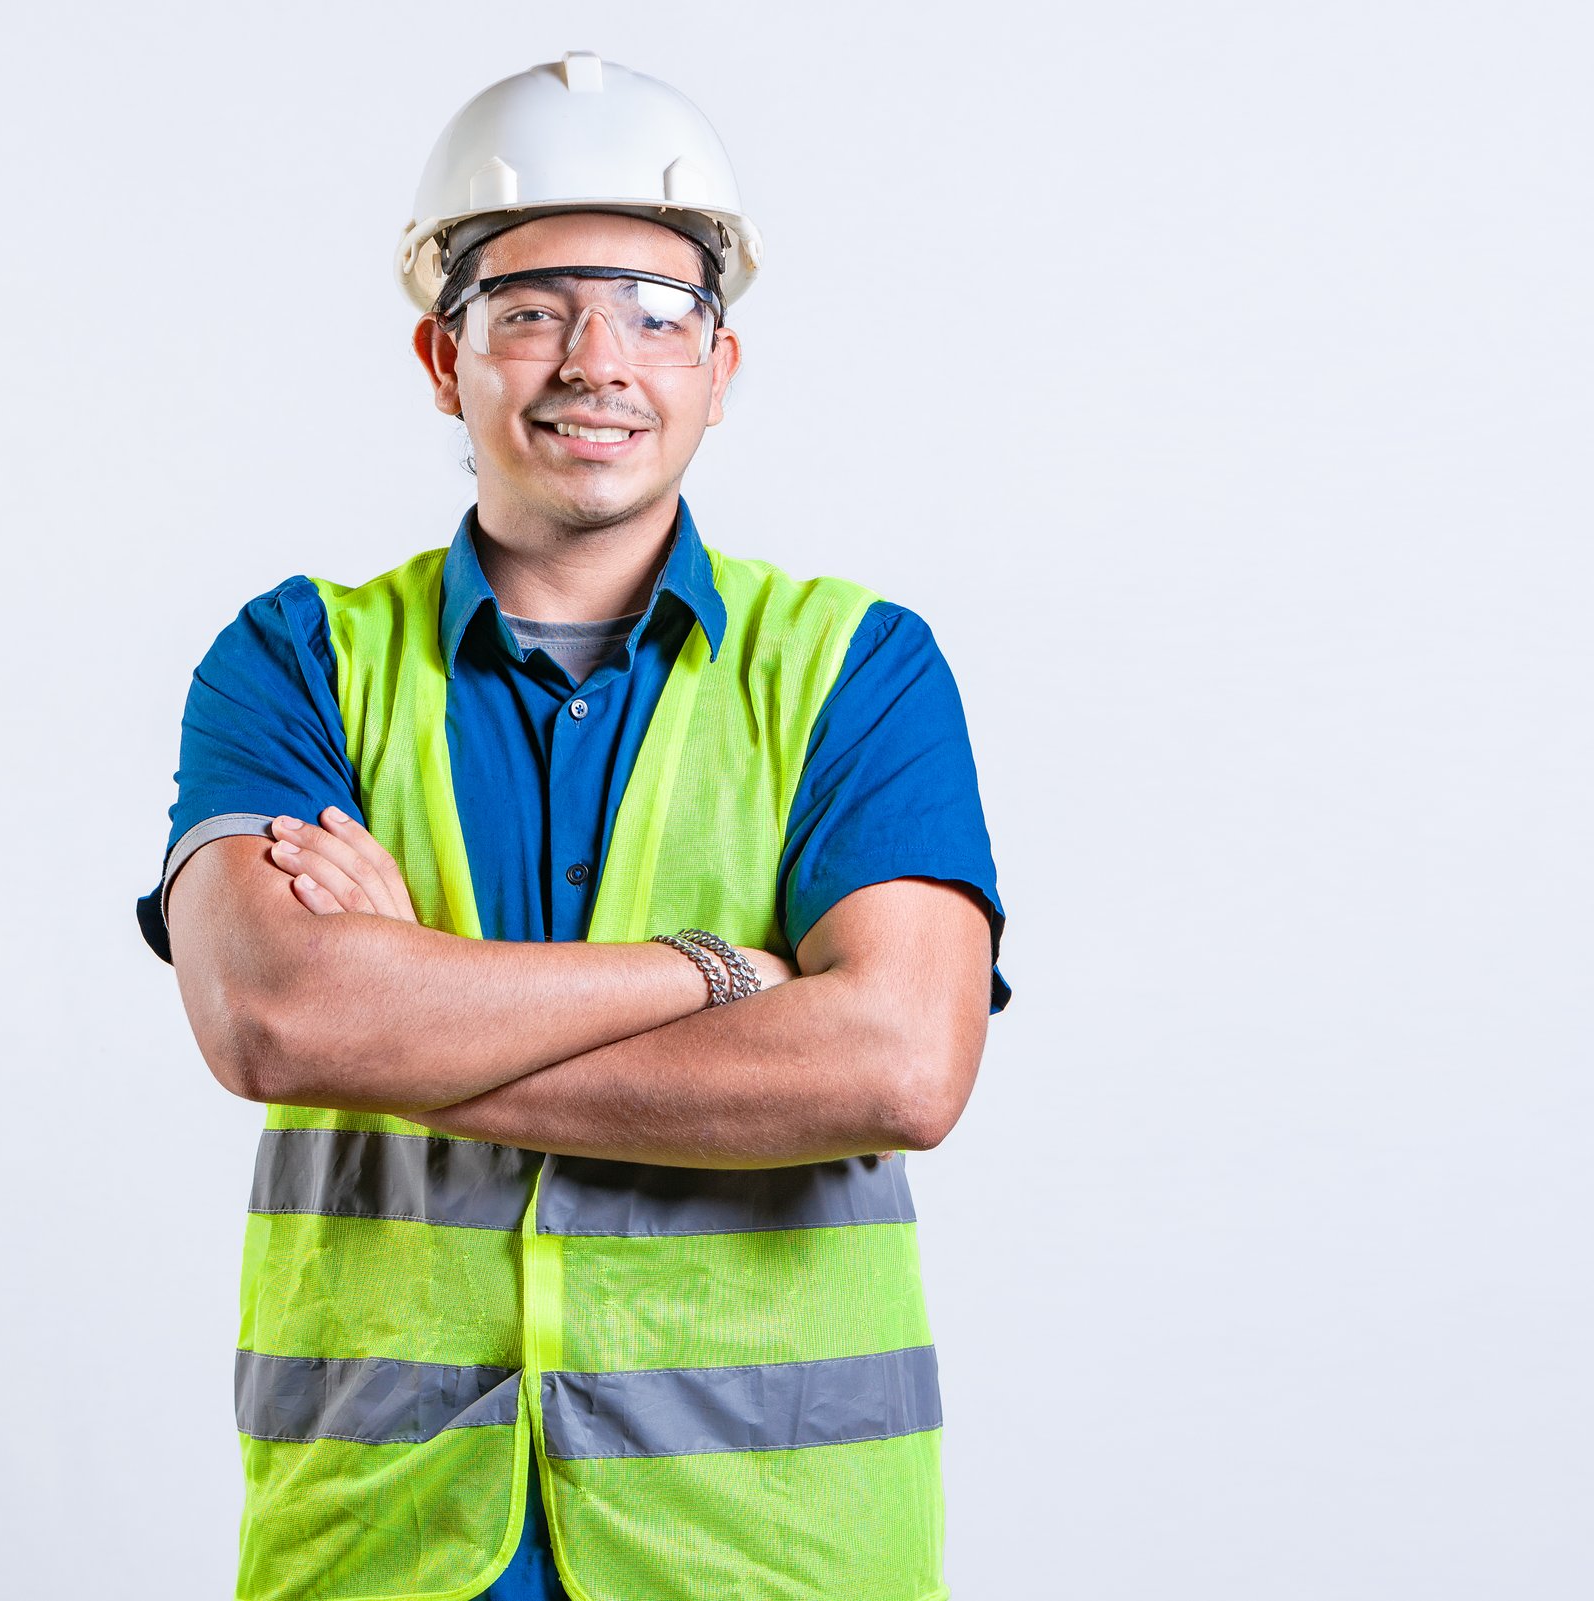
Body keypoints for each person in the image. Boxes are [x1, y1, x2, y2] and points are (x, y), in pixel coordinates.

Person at [137, 52, 1011, 1601]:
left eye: (657, 311)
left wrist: (411, 1012)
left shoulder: (855, 671)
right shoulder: (296, 661)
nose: (595, 358)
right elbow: (277, 1019)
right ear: (440, 355)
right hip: (385, 1544)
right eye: (531, 307)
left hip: (769, 1554)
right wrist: (710, 972)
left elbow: (897, 1063)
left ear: (721, 368)